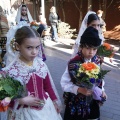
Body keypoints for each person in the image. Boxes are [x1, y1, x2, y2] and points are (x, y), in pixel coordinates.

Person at [3, 26, 62, 120]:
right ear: (18, 46)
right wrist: (21, 100)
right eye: (29, 48)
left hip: (46, 109)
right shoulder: (12, 70)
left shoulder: (41, 65)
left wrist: (55, 101)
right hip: (23, 113)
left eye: (37, 47)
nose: (34, 52)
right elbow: (5, 97)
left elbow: (48, 86)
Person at [61, 26, 107, 120]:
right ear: (81, 47)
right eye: (88, 48)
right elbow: (64, 83)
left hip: (91, 100)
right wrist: (78, 89)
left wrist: (101, 90)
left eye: (94, 49)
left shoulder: (96, 60)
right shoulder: (73, 63)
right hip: (76, 101)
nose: (91, 52)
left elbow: (99, 79)